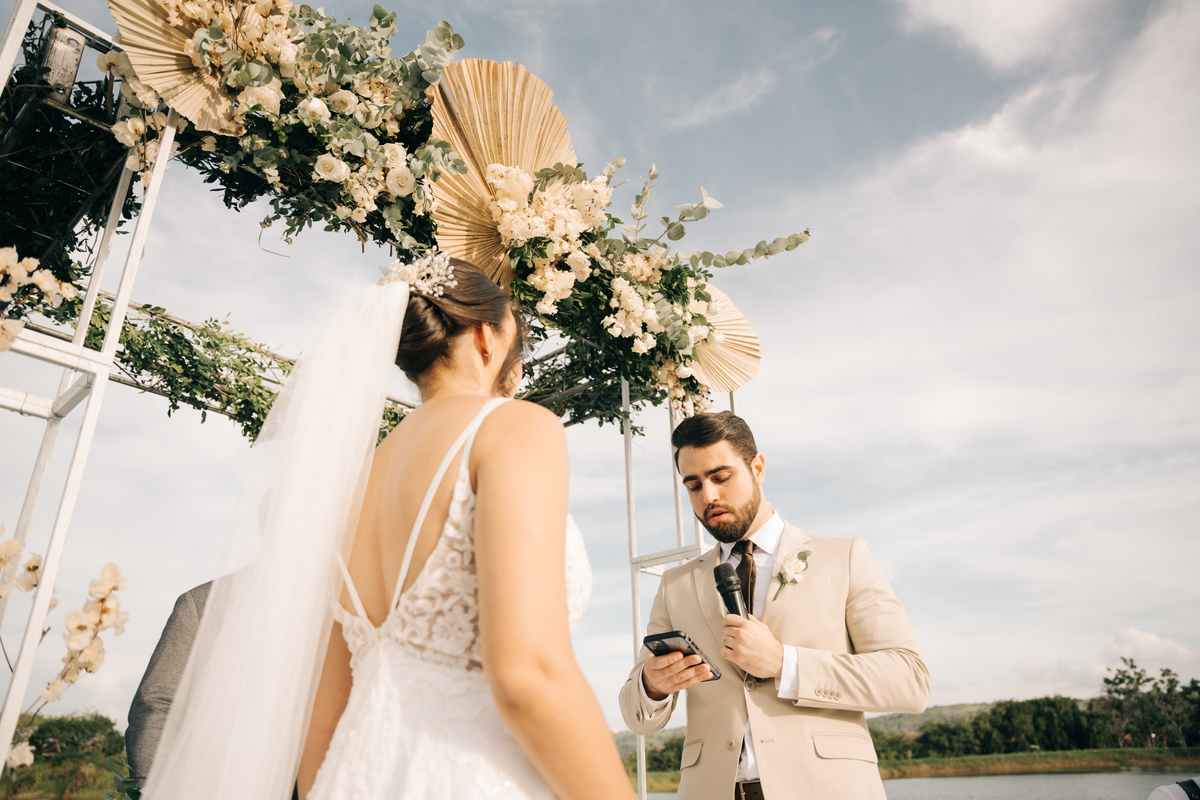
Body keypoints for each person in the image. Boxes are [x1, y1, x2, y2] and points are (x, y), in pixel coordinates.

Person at [140, 253, 635, 800]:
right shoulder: (515, 427)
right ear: (485, 338)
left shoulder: (349, 487)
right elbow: (528, 674)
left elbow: (323, 718)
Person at [619, 411, 930, 800]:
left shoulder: (844, 557)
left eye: (720, 477)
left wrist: (785, 663)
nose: (708, 496)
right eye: (693, 485)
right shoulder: (674, 585)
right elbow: (636, 715)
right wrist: (653, 687)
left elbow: (910, 681)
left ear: (758, 467)